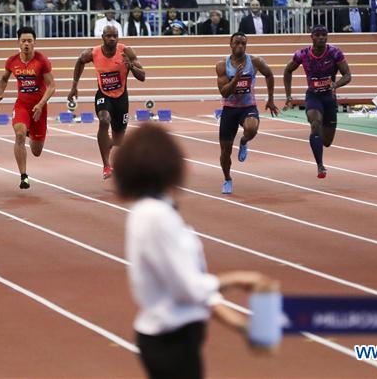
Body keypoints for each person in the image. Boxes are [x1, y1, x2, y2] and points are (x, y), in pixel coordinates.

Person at [115, 124, 278, 379]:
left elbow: (189, 287)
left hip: (172, 338)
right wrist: (239, 279)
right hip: (170, 341)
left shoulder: (151, 211)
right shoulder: (156, 217)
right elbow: (189, 288)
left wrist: (242, 325)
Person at [68, 26, 146, 180]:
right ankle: (106, 165)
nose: (112, 39)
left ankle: (107, 144)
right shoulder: (93, 52)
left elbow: (142, 76)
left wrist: (130, 66)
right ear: (102, 37)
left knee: (118, 140)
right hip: (103, 95)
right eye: (109, 36)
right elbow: (80, 61)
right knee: (104, 120)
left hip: (121, 98)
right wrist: (74, 86)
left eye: (115, 36)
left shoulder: (126, 52)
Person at [283, 27, 352, 178]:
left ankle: (317, 141)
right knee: (315, 123)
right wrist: (289, 96)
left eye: (324, 35)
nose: (321, 38)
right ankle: (320, 166)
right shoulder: (302, 54)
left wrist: (336, 84)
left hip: (329, 98)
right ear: (311, 37)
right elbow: (287, 70)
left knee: (326, 141)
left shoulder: (335, 53)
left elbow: (347, 75)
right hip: (313, 97)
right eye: (318, 35)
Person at [0, 26, 56, 189]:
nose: (26, 44)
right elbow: (4, 79)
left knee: (36, 151)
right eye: (23, 41)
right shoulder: (12, 61)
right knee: (19, 134)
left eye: (29, 41)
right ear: (18, 43)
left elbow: (52, 86)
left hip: (39, 108)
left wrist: (41, 105)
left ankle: (32, 131)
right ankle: (24, 176)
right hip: (22, 105)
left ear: (34, 43)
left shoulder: (42, 61)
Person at [215, 33, 279, 194]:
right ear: (230, 44)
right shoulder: (222, 65)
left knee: (252, 128)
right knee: (225, 152)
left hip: (247, 106)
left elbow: (269, 74)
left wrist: (270, 99)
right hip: (229, 109)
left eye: (243, 44)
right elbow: (224, 92)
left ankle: (243, 141)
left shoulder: (255, 61)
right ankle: (227, 179)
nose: (240, 46)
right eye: (237, 43)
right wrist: (235, 79)